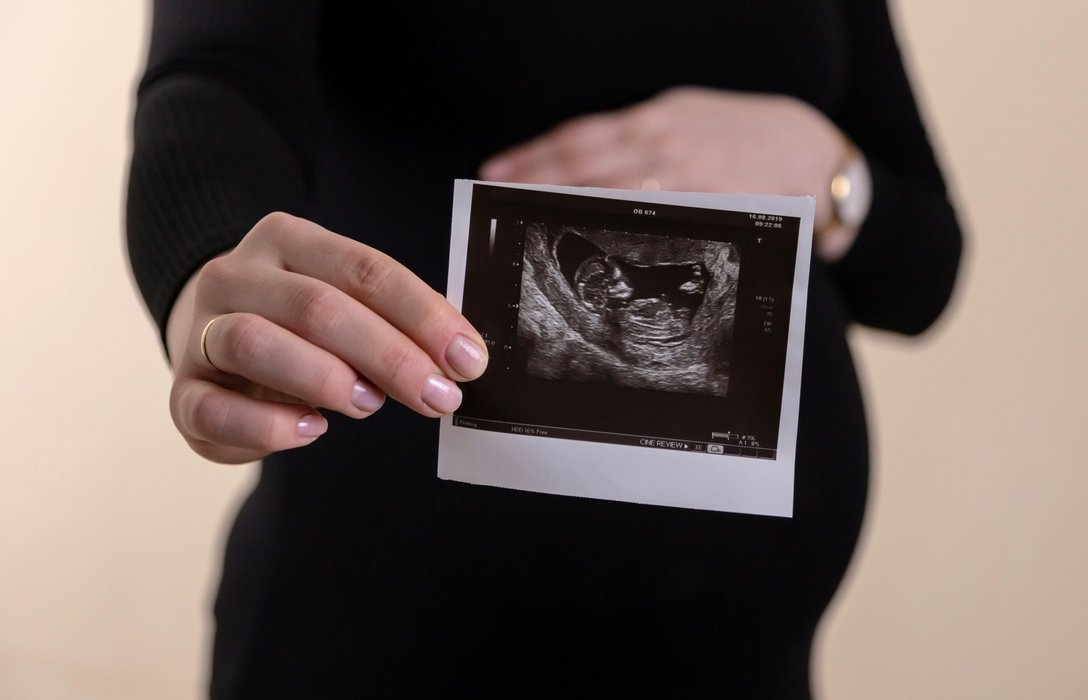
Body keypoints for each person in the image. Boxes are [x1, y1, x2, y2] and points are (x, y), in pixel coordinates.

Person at [126, 1, 963, 697]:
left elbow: (923, 272)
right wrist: (206, 267)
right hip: (383, 637)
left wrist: (830, 173)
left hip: (744, 664)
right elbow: (216, 81)